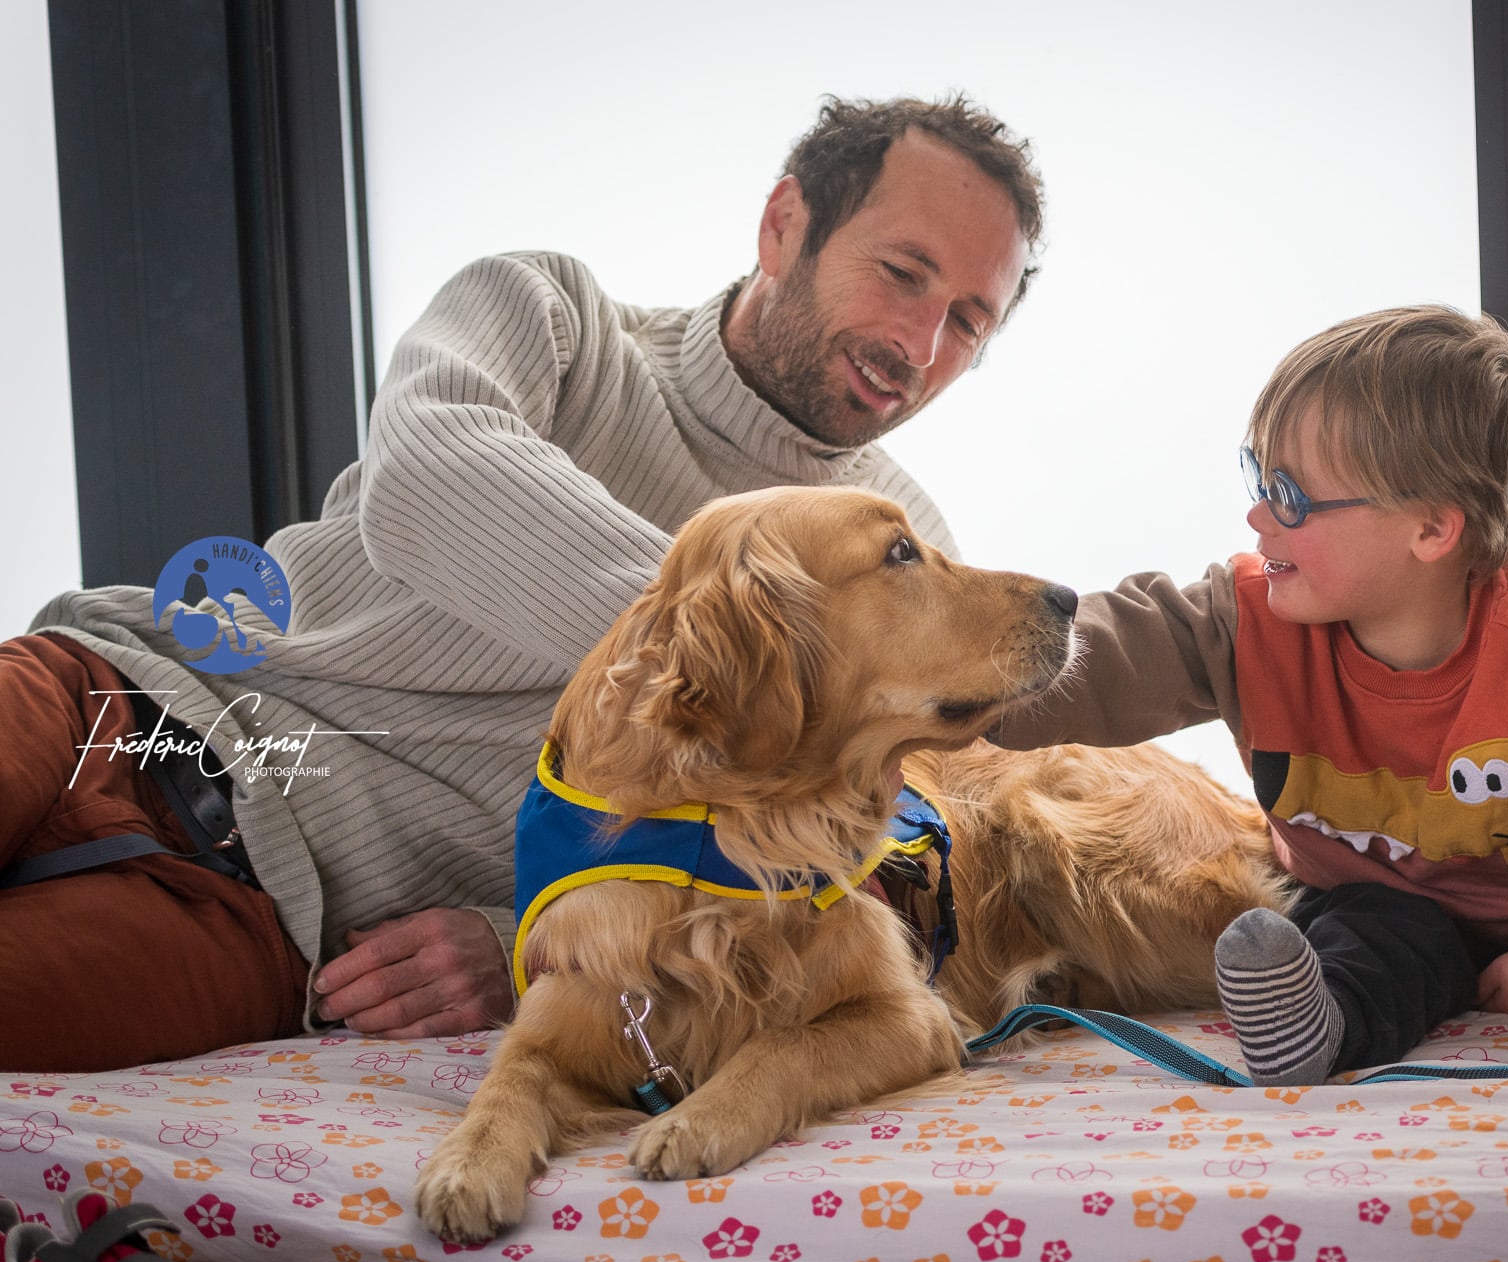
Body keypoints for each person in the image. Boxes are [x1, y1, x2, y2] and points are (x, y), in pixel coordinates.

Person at [0, 94, 1042, 1071]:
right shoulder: (557, 321)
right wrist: (754, 652)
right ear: (783, 225)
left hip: (268, 917)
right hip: (111, 699)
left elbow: (819, 861)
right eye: (903, 272)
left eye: (966, 322)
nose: (917, 344)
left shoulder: (911, 551)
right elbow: (421, 483)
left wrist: (527, 943)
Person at [989, 307, 1508, 1083]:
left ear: (1431, 530)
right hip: (1388, 913)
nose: (1256, 516)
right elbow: (1103, 655)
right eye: (1258, 478)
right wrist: (949, 689)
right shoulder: (1243, 622)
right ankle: (1323, 1023)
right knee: (1353, 930)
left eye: (1291, 497)